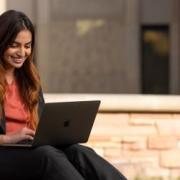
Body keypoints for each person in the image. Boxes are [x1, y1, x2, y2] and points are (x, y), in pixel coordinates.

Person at [0, 9, 127, 180]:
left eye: (27, 46)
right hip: (5, 153)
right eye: (14, 45)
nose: (22, 53)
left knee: (78, 151)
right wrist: (8, 138)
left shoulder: (30, 79)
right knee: (47, 156)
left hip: (31, 148)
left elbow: (42, 122)